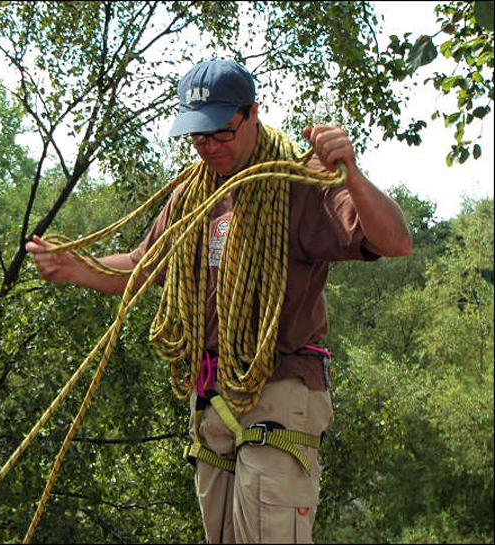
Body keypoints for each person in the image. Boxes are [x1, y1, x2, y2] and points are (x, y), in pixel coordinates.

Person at [26, 59, 412, 543]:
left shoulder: (300, 181)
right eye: (198, 137)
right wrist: (75, 268)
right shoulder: (193, 193)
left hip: (281, 389)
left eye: (221, 134)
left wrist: (351, 173)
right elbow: (147, 264)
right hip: (213, 400)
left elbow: (395, 241)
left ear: (252, 114)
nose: (209, 147)